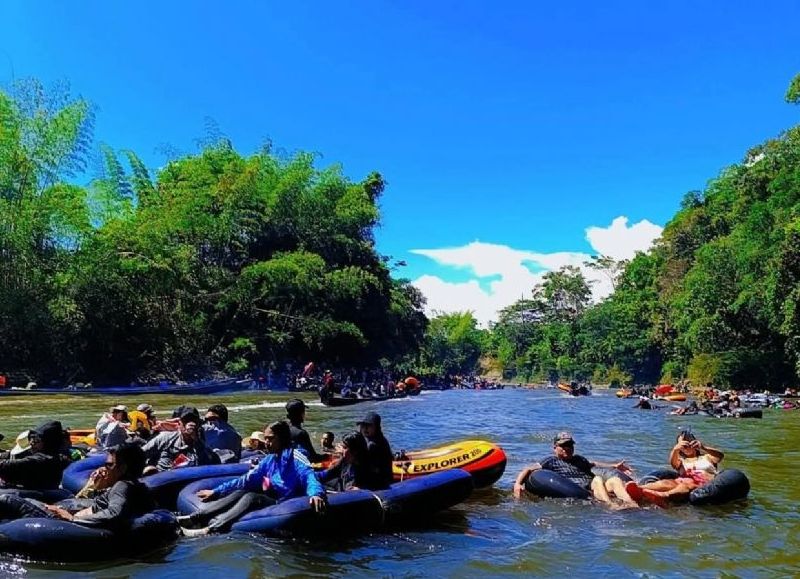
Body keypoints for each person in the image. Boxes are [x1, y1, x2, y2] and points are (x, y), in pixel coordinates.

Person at [179, 420, 326, 536]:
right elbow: (245, 480)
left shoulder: (296, 456)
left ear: (282, 439)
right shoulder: (270, 459)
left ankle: (211, 529)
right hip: (275, 496)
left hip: (287, 501)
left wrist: (316, 494)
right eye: (266, 439)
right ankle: (195, 518)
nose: (267, 443)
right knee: (241, 492)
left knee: (252, 497)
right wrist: (216, 491)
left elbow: (309, 476)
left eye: (271, 439)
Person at [0, 442, 154, 530]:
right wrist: (95, 486)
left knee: (6, 499)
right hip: (67, 516)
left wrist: (71, 518)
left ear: (123, 468)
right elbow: (102, 506)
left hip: (64, 524)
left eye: (109, 465)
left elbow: (114, 514)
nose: (104, 468)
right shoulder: (132, 485)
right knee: (29, 501)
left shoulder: (123, 485)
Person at [512, 431, 637, 508]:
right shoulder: (551, 461)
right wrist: (517, 484)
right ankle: (610, 505)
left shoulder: (579, 459)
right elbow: (528, 469)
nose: (567, 448)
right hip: (580, 489)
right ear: (555, 447)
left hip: (594, 486)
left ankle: (632, 503)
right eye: (563, 446)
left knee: (614, 480)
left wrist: (614, 466)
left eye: (570, 445)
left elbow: (594, 463)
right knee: (598, 479)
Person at [625, 430, 724, 507]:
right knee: (666, 482)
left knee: (686, 484)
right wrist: (675, 449)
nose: (686, 446)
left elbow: (720, 456)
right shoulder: (681, 461)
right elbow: (673, 463)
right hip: (681, 481)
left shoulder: (707, 457)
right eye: (683, 444)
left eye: (689, 442)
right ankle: (639, 490)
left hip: (701, 484)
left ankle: (664, 496)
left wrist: (703, 447)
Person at [142, 407, 219, 473]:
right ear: (179, 424)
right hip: (162, 477)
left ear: (198, 424)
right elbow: (139, 454)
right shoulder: (164, 438)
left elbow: (212, 463)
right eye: (186, 420)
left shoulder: (204, 443)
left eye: (193, 420)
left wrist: (196, 441)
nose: (190, 424)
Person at [0, 421, 71, 490]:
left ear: (48, 442)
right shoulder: (57, 456)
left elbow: (5, 466)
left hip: (37, 494)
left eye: (36, 439)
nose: (32, 442)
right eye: (31, 438)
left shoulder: (41, 460)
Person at [318, 431, 388, 491]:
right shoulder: (344, 461)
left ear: (355, 451)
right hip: (340, 486)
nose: (341, 450)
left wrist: (362, 490)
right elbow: (325, 474)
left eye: (344, 448)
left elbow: (379, 486)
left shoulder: (368, 469)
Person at [357, 412, 394, 490]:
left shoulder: (375, 444)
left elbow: (361, 462)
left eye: (369, 425)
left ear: (376, 427)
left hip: (379, 481)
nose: (365, 428)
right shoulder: (367, 439)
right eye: (363, 425)